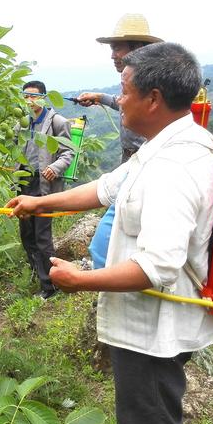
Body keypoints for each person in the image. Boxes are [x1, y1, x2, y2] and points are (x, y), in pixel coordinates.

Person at [6, 42, 213, 424]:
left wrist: (80, 280)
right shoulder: (161, 145)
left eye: (124, 90)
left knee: (148, 418)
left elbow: (157, 266)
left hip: (155, 333)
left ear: (153, 99)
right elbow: (106, 187)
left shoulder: (175, 166)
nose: (118, 100)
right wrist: (38, 203)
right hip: (145, 325)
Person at [77, 13, 162, 269]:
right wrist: (101, 97)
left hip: (144, 165)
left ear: (137, 48)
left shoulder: (152, 82)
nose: (112, 54)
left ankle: (111, 275)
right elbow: (123, 104)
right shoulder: (135, 77)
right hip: (131, 161)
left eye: (117, 48)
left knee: (118, 228)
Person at [15, 81, 74, 300]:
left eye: (33, 96)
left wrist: (55, 167)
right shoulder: (21, 123)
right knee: (27, 234)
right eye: (26, 97)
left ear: (44, 97)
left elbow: (68, 153)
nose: (29, 101)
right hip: (24, 184)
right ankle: (38, 274)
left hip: (44, 186)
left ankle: (51, 286)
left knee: (42, 236)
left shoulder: (56, 122)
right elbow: (14, 147)